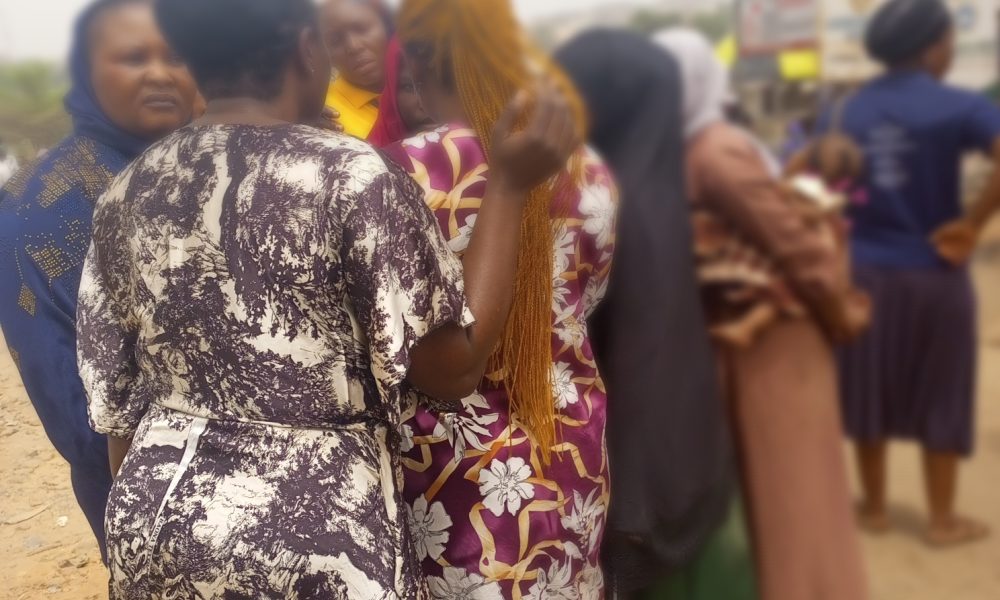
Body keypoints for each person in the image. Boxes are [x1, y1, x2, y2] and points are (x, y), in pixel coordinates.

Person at [79, 0, 579, 596]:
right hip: (312, 537)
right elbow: (454, 369)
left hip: (154, 520)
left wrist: (141, 534)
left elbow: (116, 406)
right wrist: (508, 185)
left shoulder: (128, 190)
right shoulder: (353, 177)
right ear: (306, 49)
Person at [383, 0, 615, 597]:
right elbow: (586, 303)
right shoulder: (589, 171)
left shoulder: (398, 175)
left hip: (447, 466)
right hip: (566, 442)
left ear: (418, 65)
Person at [654, 28, 869, 600]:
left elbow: (794, 242)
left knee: (791, 489)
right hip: (751, 338)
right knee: (779, 489)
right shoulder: (699, 147)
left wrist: (835, 302)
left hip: (774, 341)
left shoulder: (713, 151)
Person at [0, 0, 197, 563]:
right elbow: (76, 417)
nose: (160, 73)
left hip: (295, 494)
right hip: (150, 510)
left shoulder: (226, 167)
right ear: (88, 71)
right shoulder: (34, 214)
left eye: (178, 55)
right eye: (134, 57)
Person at [554, 30, 740, 599]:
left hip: (629, 498)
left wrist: (632, 503)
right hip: (678, 474)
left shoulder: (596, 207)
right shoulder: (650, 195)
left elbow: (639, 356)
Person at [830, 0, 1000, 546]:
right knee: (943, 391)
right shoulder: (958, 105)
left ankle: (875, 508)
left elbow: (827, 184)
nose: (950, 51)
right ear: (932, 48)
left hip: (865, 272)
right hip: (936, 272)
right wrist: (972, 225)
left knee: (868, 387)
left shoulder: (847, 111)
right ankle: (942, 520)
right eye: (950, 42)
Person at [320, 0, 392, 138]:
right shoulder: (324, 113)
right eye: (335, 40)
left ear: (386, 25)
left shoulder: (421, 80)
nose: (353, 46)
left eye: (361, 29)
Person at [367, 36, 434, 147]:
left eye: (446, 81)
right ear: (392, 94)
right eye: (409, 87)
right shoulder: (370, 160)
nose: (425, 104)